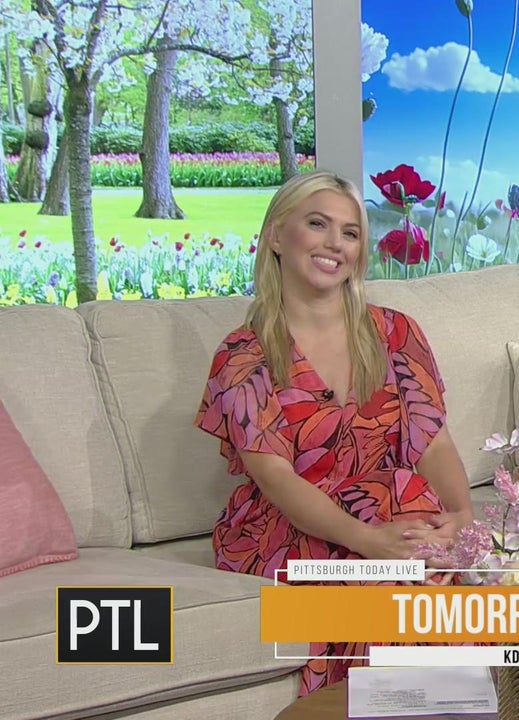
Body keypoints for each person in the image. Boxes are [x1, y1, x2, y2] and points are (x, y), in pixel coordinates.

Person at [193, 170, 474, 695]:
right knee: (391, 582)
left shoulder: (396, 332)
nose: (334, 244)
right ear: (276, 236)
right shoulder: (243, 355)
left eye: (349, 233)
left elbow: (432, 441)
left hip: (391, 508)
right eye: (317, 224)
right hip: (289, 526)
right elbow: (277, 480)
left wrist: (461, 519)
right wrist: (370, 542)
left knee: (448, 560)